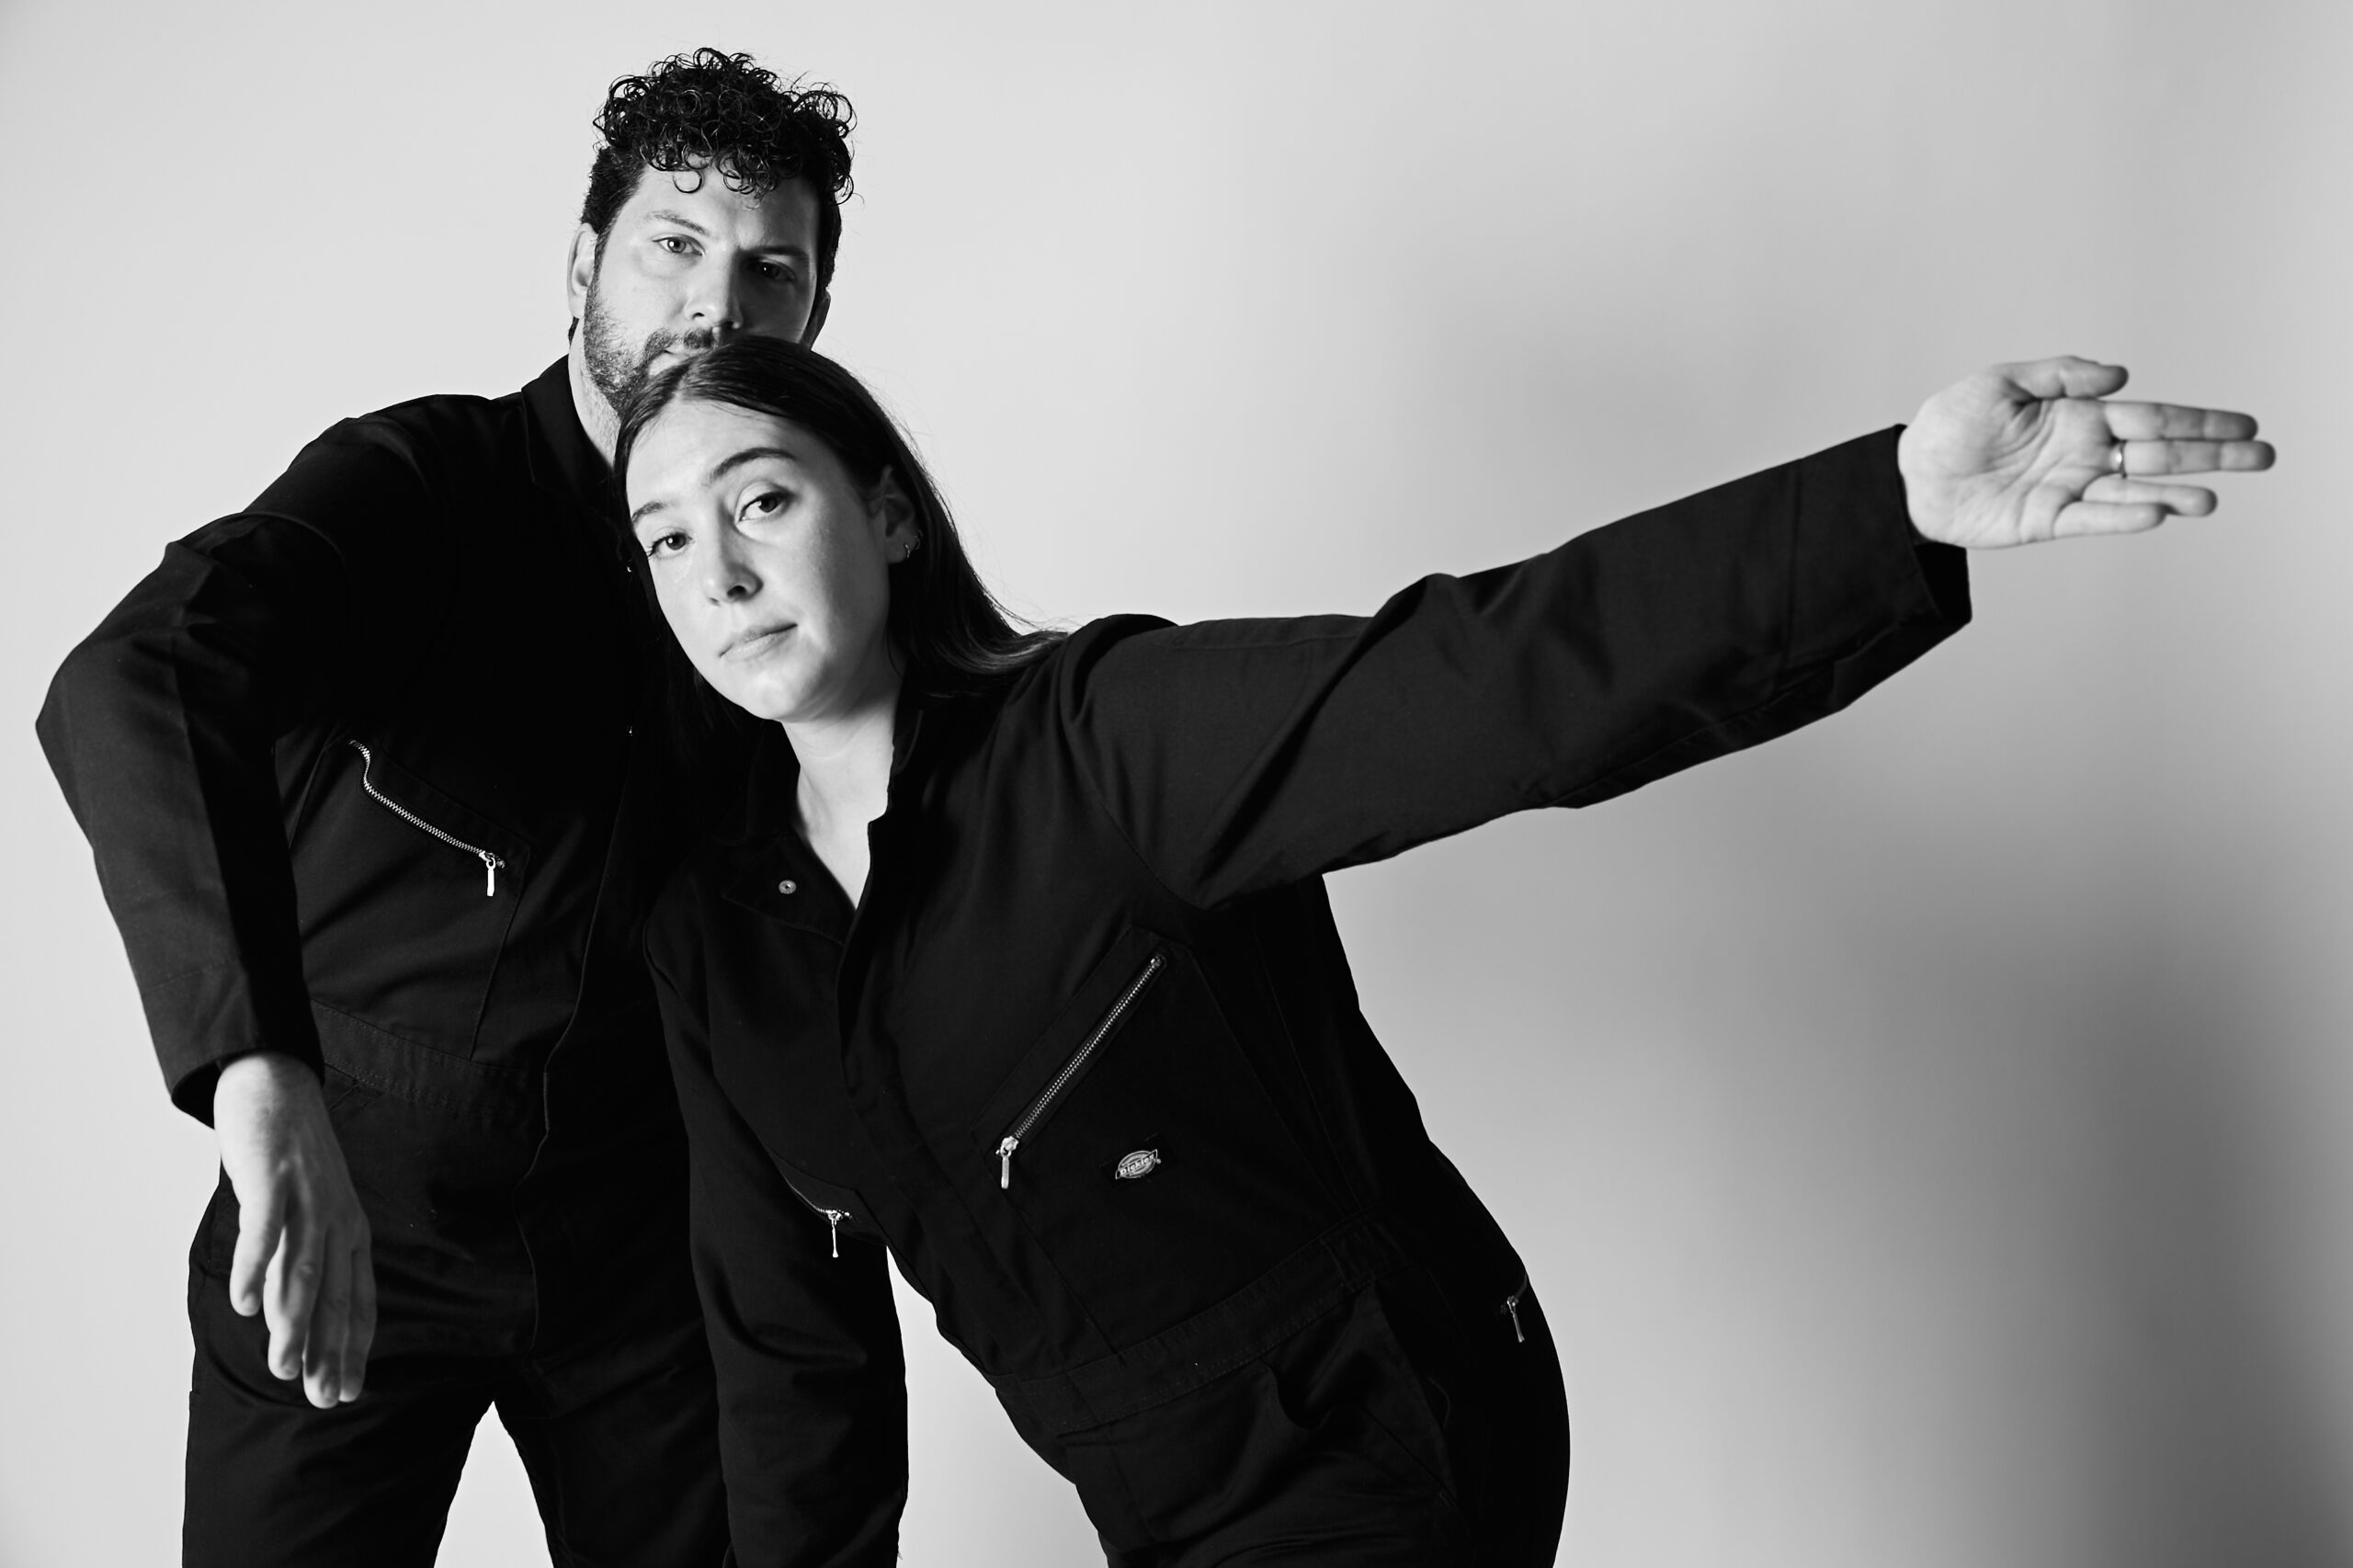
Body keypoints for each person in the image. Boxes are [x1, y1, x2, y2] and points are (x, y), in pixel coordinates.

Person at [616, 335, 2272, 1566]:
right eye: (668, 539)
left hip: (1385, 1414)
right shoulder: (719, 948)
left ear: (889, 516)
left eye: (761, 496)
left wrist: (1883, 506)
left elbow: (1499, 683)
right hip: (1155, 1499)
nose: (722, 573)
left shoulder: (1104, 744)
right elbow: (793, 1378)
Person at [37, 50, 852, 1568]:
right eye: (674, 246)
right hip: (353, 1200)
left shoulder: (807, 564)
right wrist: (255, 1080)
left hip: (650, 1244)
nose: (716, 307)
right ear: (582, 266)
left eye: (771, 271)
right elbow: (135, 674)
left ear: (813, 320)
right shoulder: (420, 487)